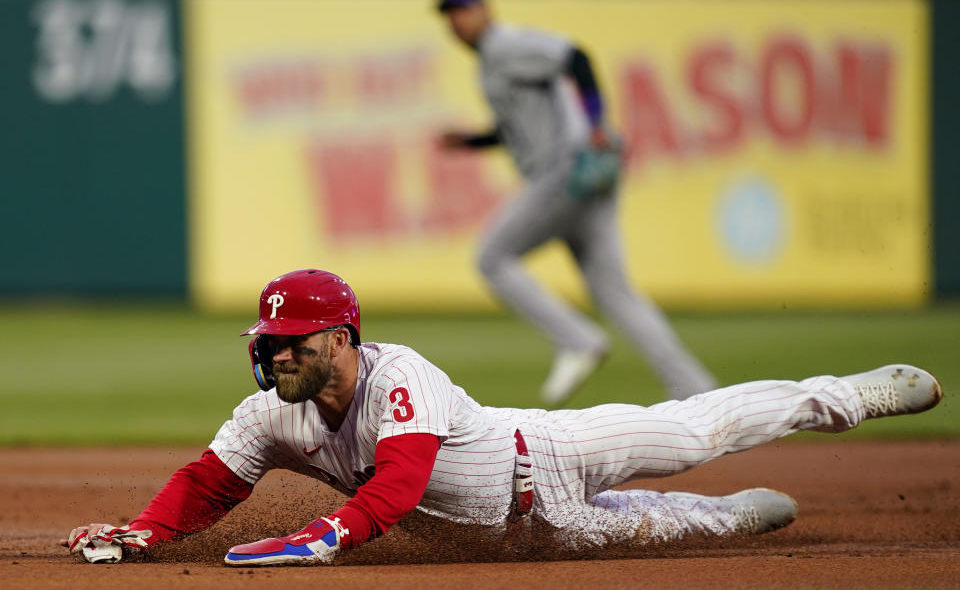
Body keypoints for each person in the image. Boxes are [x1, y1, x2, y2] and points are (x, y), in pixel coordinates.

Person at [63, 269, 943, 566]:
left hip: (548, 451)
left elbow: (401, 481)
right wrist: (144, 533)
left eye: (295, 341)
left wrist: (324, 534)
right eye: (272, 341)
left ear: (340, 338)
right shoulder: (270, 416)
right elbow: (207, 483)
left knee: (690, 433)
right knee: (677, 529)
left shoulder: (400, 376)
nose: (278, 355)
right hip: (518, 539)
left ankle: (847, 396)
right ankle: (733, 515)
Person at [435, 0, 717, 405]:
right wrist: (471, 142)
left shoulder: (505, 45)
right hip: (580, 177)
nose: (456, 20)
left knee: (491, 257)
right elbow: (514, 130)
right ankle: (694, 388)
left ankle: (578, 340)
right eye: (449, 13)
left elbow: (575, 57)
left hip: (565, 170)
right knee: (615, 293)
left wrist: (598, 121)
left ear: (485, 8)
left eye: (463, 8)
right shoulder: (491, 61)